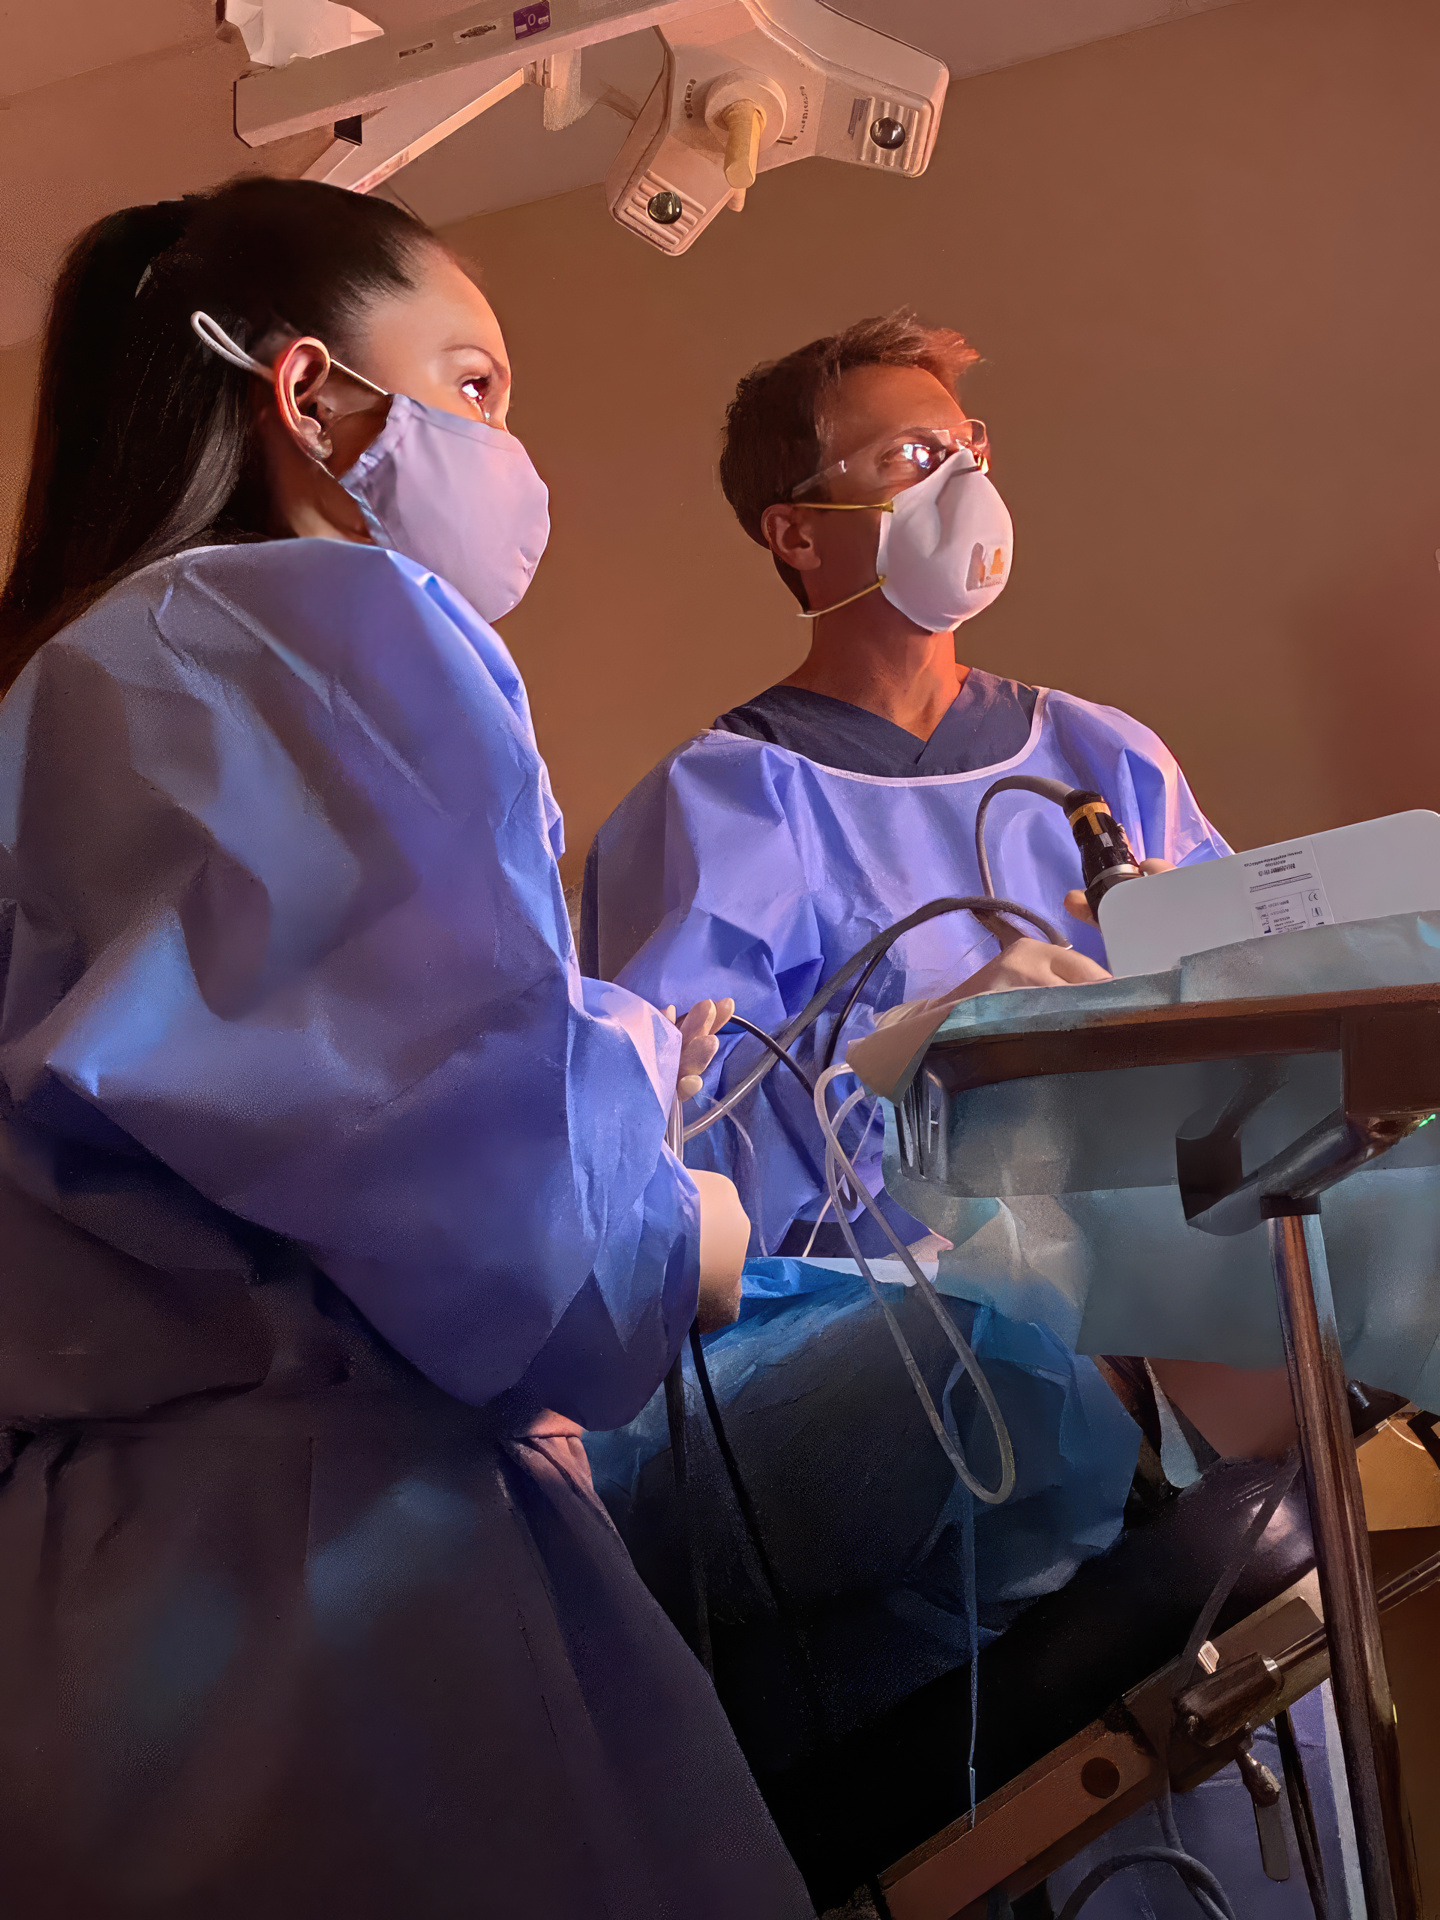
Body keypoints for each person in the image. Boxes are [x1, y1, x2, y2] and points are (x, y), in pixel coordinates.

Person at [0, 178, 815, 1919]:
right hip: (318, 1601)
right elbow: (528, 1239)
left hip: (110, 1611)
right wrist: (689, 1233)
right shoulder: (299, 635)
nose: (509, 445)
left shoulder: (71, 678)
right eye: (473, 383)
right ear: (306, 397)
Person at [580, 313, 1330, 1913]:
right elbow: (663, 1167)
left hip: (1176, 1335)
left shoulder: (1102, 763)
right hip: (895, 1362)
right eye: (912, 459)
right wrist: (915, 1063)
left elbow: (1260, 1031)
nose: (963, 486)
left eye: (970, 455)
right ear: (800, 530)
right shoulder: (720, 805)